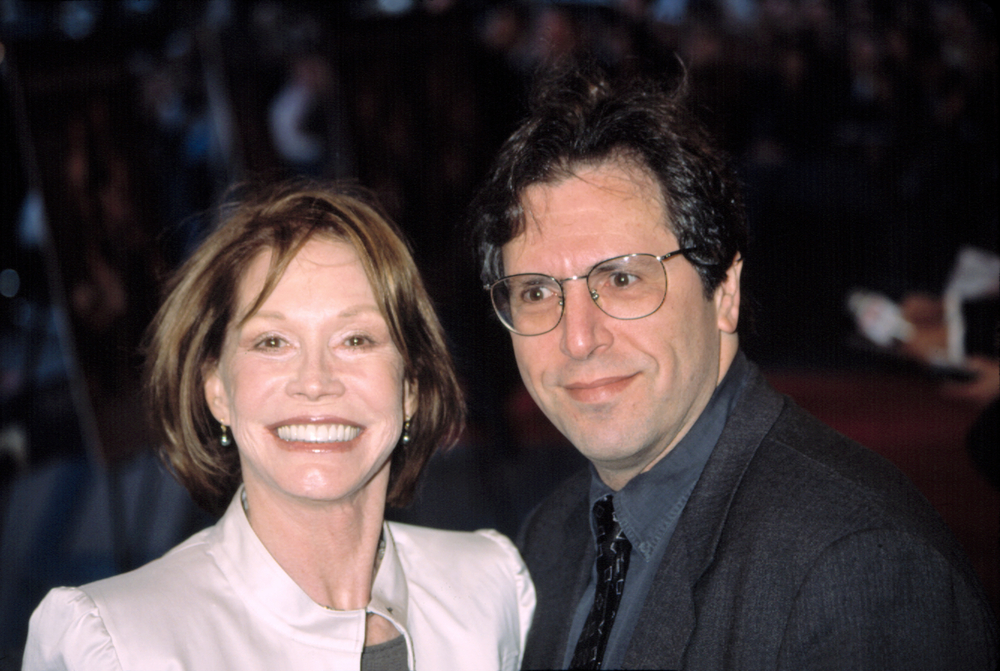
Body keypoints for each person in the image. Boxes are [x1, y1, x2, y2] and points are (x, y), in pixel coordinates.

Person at [468, 59, 998, 670]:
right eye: (536, 292)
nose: (578, 337)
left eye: (621, 278)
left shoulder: (857, 566)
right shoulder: (551, 538)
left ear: (724, 294)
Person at [24, 182, 535, 670]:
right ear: (217, 390)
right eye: (272, 342)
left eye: (355, 339)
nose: (315, 382)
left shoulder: (492, 588)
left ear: (411, 389)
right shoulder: (111, 645)